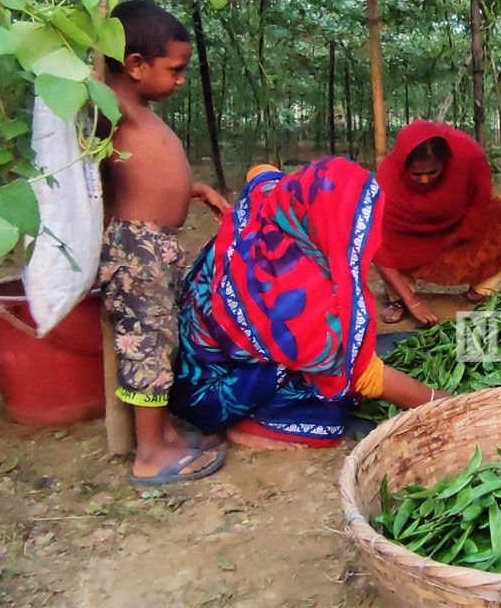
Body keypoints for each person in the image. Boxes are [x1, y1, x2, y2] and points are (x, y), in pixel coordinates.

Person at [169, 159, 451, 450]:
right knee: (329, 413)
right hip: (210, 391)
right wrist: (441, 402)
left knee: (331, 356)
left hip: (204, 347)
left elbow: (260, 172)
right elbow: (362, 374)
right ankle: (249, 424)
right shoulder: (292, 297)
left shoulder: (280, 202)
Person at [99, 0, 231, 486]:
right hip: (137, 249)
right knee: (147, 345)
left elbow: (152, 174)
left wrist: (193, 190)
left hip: (159, 245)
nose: (180, 80)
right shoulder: (111, 106)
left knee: (164, 337)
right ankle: (150, 452)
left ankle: (167, 435)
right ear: (135, 65)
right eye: (174, 70)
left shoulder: (140, 109)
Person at [373, 120, 501, 325]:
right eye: (417, 174)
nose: (425, 180)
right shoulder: (388, 184)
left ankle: (483, 288)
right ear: (404, 166)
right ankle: (399, 298)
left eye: (433, 172)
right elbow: (380, 249)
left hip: (457, 221)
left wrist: (464, 230)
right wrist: (413, 302)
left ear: (445, 163)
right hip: (413, 236)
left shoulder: (467, 155)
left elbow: (480, 194)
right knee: (387, 243)